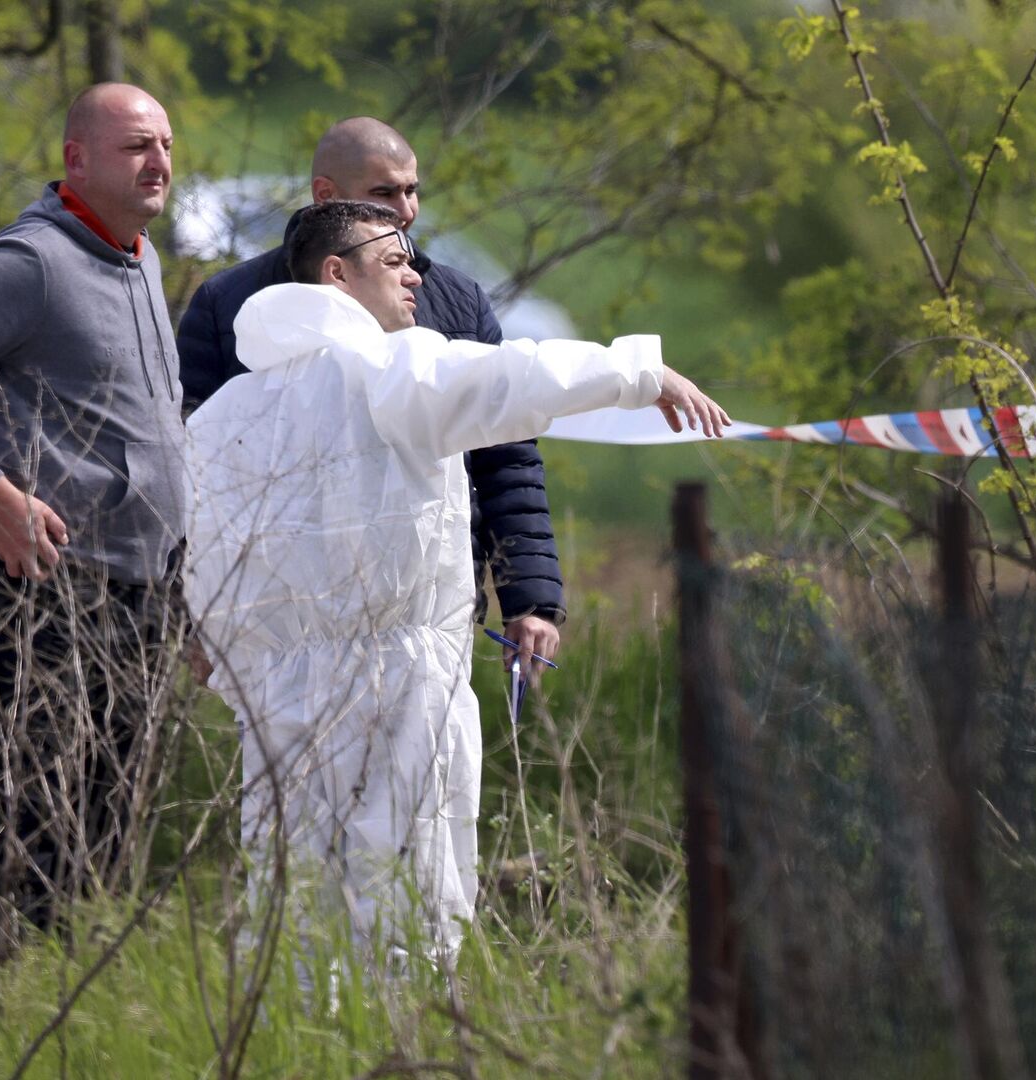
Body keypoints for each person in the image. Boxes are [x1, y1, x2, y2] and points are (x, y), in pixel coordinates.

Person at [182, 201, 728, 970]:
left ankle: (296, 1045)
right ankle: (407, 1047)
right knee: (412, 893)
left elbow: (206, 565)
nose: (415, 273)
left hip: (278, 700)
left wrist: (250, 679)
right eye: (393, 258)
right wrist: (640, 372)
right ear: (336, 274)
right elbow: (514, 375)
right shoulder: (395, 369)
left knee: (293, 897)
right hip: (400, 688)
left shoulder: (228, 413)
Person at [0, 82, 188, 945]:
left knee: (109, 833)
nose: (160, 163)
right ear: (76, 158)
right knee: (29, 825)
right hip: (48, 590)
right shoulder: (25, 263)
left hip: (147, 595)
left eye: (167, 146)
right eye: (137, 146)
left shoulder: (141, 255)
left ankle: (75, 1008)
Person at [177, 117, 565, 686]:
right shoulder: (231, 302)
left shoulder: (456, 302)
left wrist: (530, 598)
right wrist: (196, 613)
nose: (406, 210)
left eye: (412, 190)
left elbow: (505, 456)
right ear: (325, 196)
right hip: (285, 627)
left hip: (431, 612)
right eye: (385, 192)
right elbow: (195, 469)